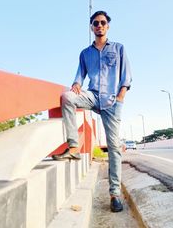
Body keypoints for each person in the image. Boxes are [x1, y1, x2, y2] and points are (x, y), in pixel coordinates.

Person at [53, 11, 132, 212]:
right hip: (93, 96)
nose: (99, 25)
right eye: (95, 23)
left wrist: (121, 97)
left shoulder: (118, 48)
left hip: (113, 101)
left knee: (113, 147)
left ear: (108, 26)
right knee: (67, 97)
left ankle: (114, 194)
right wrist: (76, 84)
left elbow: (127, 77)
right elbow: (80, 74)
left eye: (103, 22)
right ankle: (73, 148)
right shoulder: (85, 53)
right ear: (91, 27)